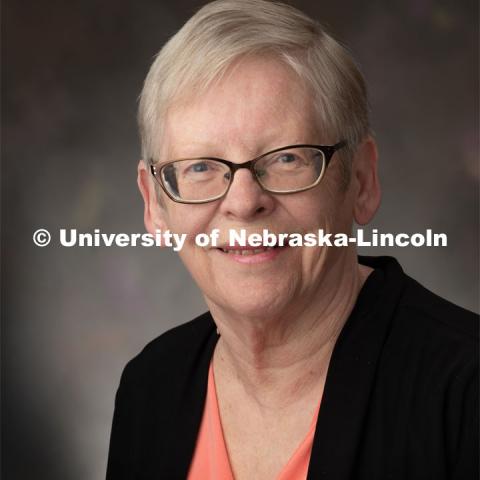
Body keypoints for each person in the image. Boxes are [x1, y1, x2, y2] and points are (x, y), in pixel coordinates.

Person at [106, 1, 478, 478]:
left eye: (287, 159)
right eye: (200, 167)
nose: (244, 202)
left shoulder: (465, 391)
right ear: (155, 205)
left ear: (361, 181)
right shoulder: (150, 389)